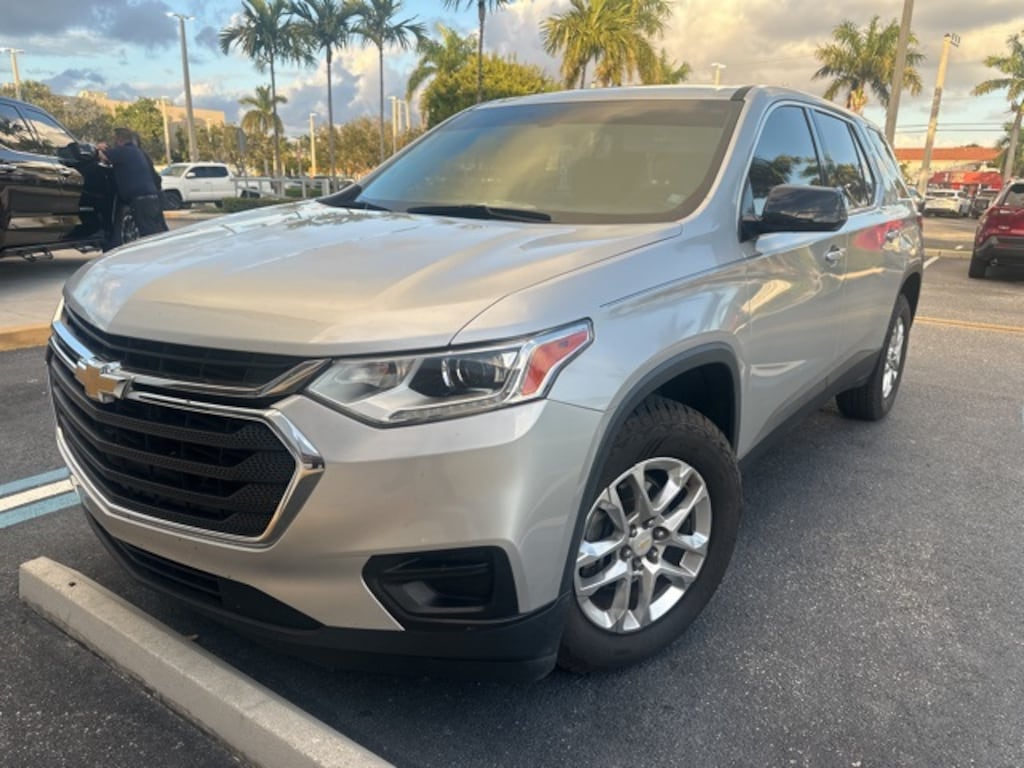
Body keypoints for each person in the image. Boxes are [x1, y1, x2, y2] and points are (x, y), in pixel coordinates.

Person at [97, 127, 167, 240]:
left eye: (114, 140)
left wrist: (99, 148)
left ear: (119, 140)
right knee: (158, 231)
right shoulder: (137, 152)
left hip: (140, 200)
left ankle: (153, 255)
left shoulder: (122, 151)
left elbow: (103, 157)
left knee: (148, 234)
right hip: (153, 197)